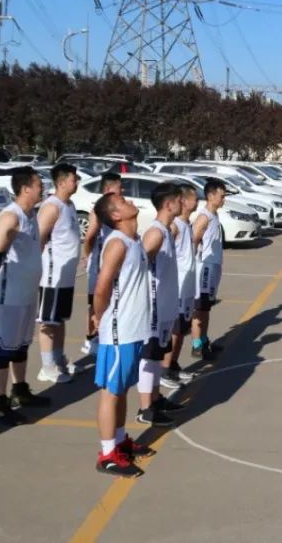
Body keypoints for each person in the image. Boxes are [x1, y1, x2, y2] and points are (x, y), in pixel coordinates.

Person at [91, 192, 155, 477]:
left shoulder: (134, 239)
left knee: (123, 388)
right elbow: (102, 287)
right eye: (122, 200)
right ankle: (107, 454)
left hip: (133, 329)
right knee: (111, 391)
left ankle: (119, 440)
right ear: (116, 215)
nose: (128, 199)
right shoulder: (117, 243)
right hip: (119, 330)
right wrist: (98, 316)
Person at [0, 166, 49, 425]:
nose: (42, 187)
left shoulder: (31, 214)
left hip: (27, 291)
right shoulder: (11, 217)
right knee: (5, 348)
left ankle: (20, 389)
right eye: (39, 184)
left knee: (21, 344)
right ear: (25, 189)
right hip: (10, 294)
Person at [136, 183, 186, 427]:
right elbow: (138, 265)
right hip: (154, 306)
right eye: (179, 200)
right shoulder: (155, 232)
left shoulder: (167, 230)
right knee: (149, 355)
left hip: (165, 305)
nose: (183, 203)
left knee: (157, 355)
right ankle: (146, 408)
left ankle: (155, 400)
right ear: (168, 204)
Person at [35, 163, 81, 383]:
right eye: (73, 179)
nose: (77, 182)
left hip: (66, 277)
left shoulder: (69, 205)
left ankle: (58, 358)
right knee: (48, 323)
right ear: (61, 183)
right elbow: (39, 239)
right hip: (52, 277)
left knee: (59, 319)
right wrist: (34, 268)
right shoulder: (52, 207)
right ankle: (47, 366)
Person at [161, 183, 199, 389]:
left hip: (188, 286)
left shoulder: (187, 224)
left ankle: (173, 365)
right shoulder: (174, 226)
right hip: (178, 286)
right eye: (194, 198)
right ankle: (165, 369)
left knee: (182, 329)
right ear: (183, 201)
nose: (197, 201)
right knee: (175, 330)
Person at [81, 172, 122, 356]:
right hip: (98, 264)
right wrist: (88, 256)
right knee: (96, 302)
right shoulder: (99, 210)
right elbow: (89, 237)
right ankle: (90, 339)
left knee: (110, 300)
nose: (122, 190)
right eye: (119, 187)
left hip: (111, 262)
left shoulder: (115, 208)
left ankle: (103, 335)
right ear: (107, 189)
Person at [190, 178, 227, 359]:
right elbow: (193, 239)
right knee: (200, 307)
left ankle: (204, 340)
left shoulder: (214, 215)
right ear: (211, 196)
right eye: (222, 196)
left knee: (206, 307)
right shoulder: (204, 217)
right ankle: (197, 345)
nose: (224, 199)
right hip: (205, 267)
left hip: (214, 266)